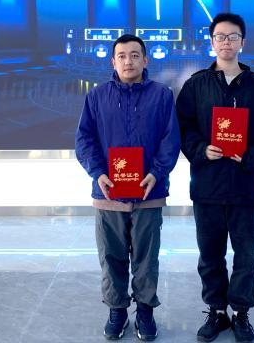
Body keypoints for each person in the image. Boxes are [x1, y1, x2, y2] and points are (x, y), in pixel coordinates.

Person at [176, 13, 254, 342]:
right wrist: (200, 149)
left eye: (233, 36)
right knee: (210, 255)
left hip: (246, 186)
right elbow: (182, 128)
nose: (226, 42)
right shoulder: (196, 85)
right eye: (220, 36)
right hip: (207, 185)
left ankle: (240, 313)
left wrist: (252, 156)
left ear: (243, 42)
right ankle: (216, 311)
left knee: (246, 255)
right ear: (212, 42)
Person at [76, 34, 180, 341]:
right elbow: (84, 140)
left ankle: (145, 311)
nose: (128, 61)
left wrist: (156, 173)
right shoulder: (96, 96)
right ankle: (117, 310)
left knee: (147, 258)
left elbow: (171, 139)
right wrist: (98, 173)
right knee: (112, 256)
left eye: (135, 55)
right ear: (113, 61)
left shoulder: (162, 95)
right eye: (121, 56)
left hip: (149, 193)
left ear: (145, 60)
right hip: (109, 193)